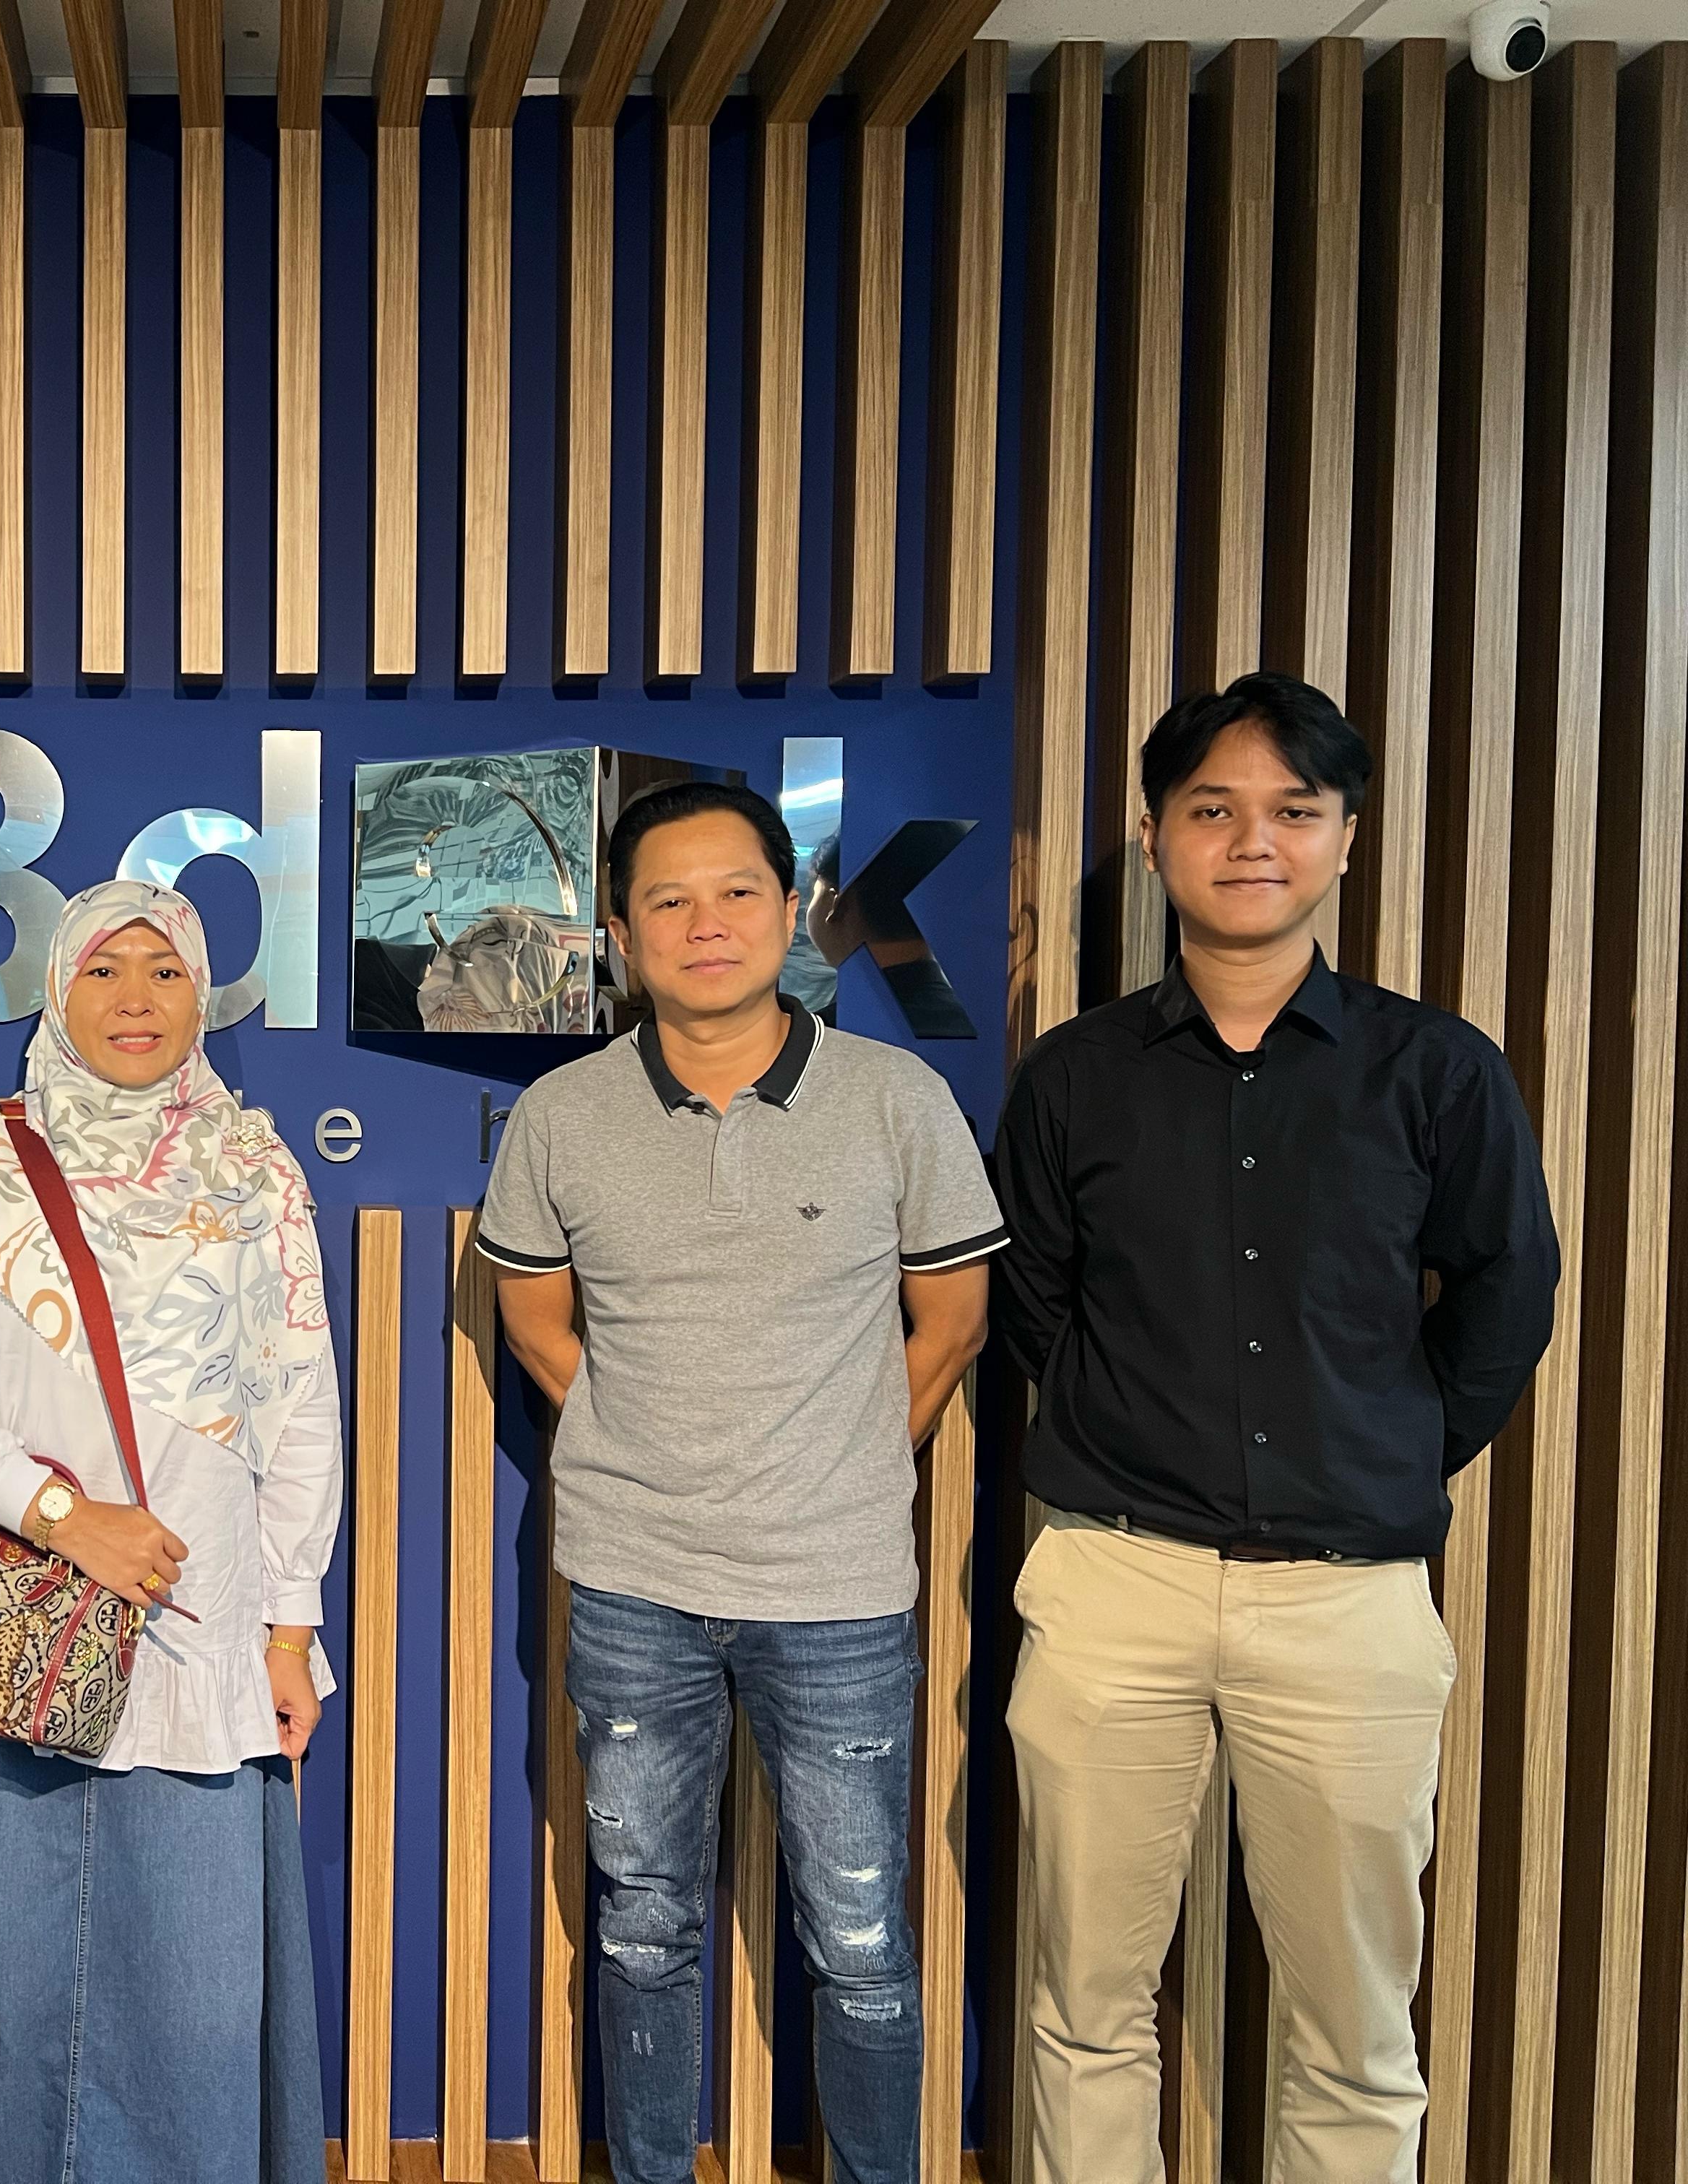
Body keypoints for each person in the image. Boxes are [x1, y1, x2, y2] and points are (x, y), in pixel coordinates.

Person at [992, 674, 1557, 2184]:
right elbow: (1034, 1303)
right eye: (1214, 809)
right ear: (1156, 837)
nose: (1254, 841)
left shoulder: (1435, 1069)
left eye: (1293, 811)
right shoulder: (1075, 1075)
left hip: (1347, 1598)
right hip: (1116, 1581)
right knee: (1085, 2004)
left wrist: (1388, 1443)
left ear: (1345, 839)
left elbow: (1507, 1289)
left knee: (1356, 2025)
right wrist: (1136, 1432)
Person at [476, 780, 1004, 2184]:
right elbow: (534, 1321)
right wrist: (652, 1441)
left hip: (838, 1592)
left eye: (736, 893)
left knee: (861, 1934)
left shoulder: (897, 1100)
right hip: (633, 1586)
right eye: (669, 900)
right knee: (643, 1923)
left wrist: (840, 1454)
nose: (704, 924)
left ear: (792, 909)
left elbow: (953, 1319)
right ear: (620, 931)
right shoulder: (562, 1114)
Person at [0, 880, 340, 2184]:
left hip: (194, 1638)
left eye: (164, 973)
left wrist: (291, 1628)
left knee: (189, 2005)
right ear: (57, 991)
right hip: (7, 1640)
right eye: (104, 971)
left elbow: (299, 1415)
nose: (135, 1000)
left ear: (203, 995)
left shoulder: (258, 1174)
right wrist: (61, 1515)